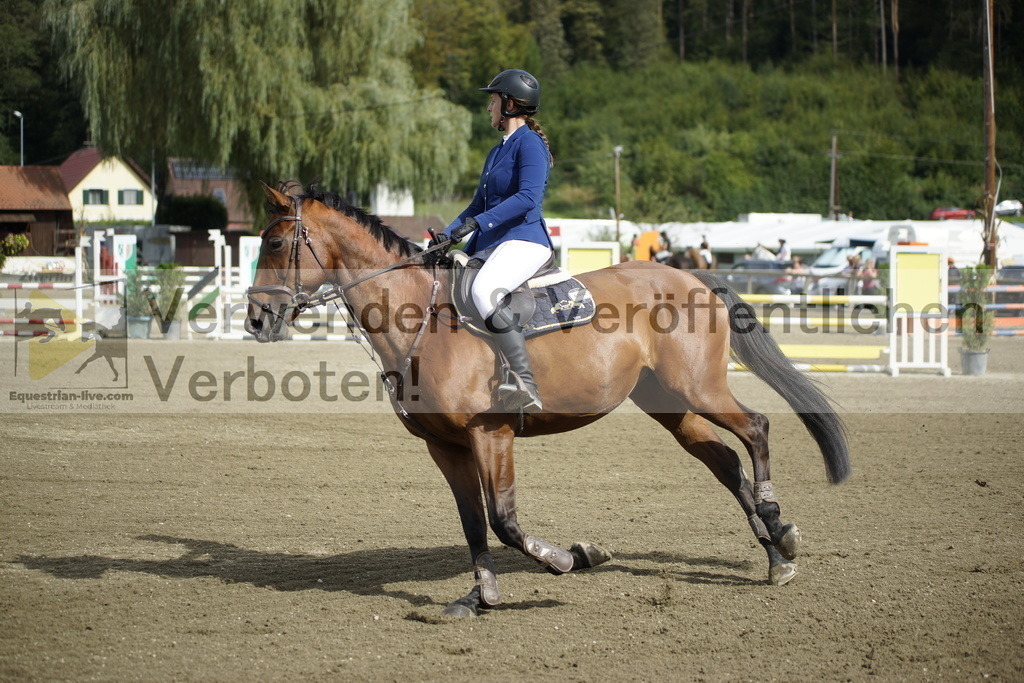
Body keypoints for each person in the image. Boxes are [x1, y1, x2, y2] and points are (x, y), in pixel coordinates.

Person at [428, 69, 553, 414]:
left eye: (493, 100)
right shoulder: (497, 150)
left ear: (510, 104)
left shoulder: (530, 144)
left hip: (524, 239)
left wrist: (476, 223)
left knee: (485, 292)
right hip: (492, 241)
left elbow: (528, 197)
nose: (488, 107)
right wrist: (448, 233)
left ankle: (525, 381)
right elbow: (476, 206)